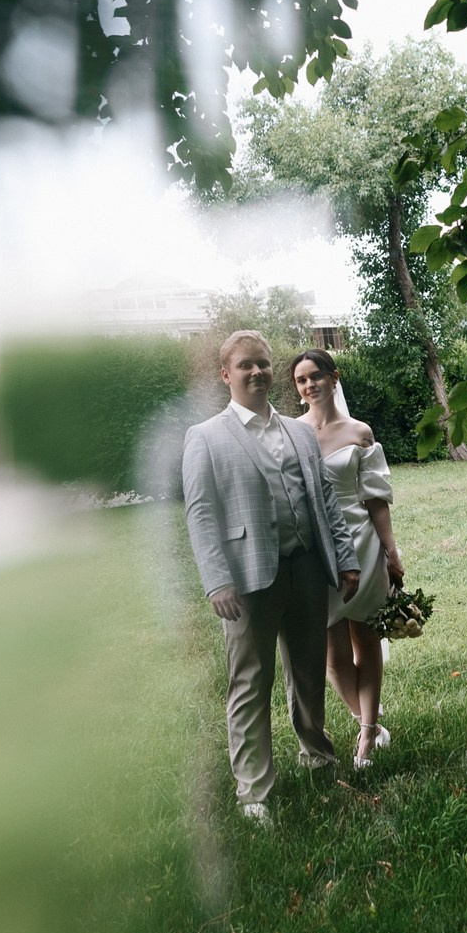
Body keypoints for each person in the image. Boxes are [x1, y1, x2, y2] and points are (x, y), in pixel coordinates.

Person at [182, 331, 360, 827]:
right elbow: (200, 514)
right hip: (246, 578)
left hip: (305, 568)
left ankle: (318, 758)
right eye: (245, 366)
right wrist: (217, 580)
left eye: (263, 364)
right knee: (249, 682)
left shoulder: (300, 433)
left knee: (307, 673)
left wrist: (344, 559)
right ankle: (254, 791)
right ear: (226, 375)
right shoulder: (206, 437)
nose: (257, 372)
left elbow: (326, 502)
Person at [291, 348, 404, 770]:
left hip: (362, 541)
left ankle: (366, 740)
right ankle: (368, 721)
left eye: (315, 375)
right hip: (317, 551)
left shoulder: (360, 431)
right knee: (333, 657)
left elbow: (376, 498)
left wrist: (391, 551)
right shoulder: (291, 433)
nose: (309, 385)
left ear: (333, 378)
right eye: (301, 380)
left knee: (366, 640)